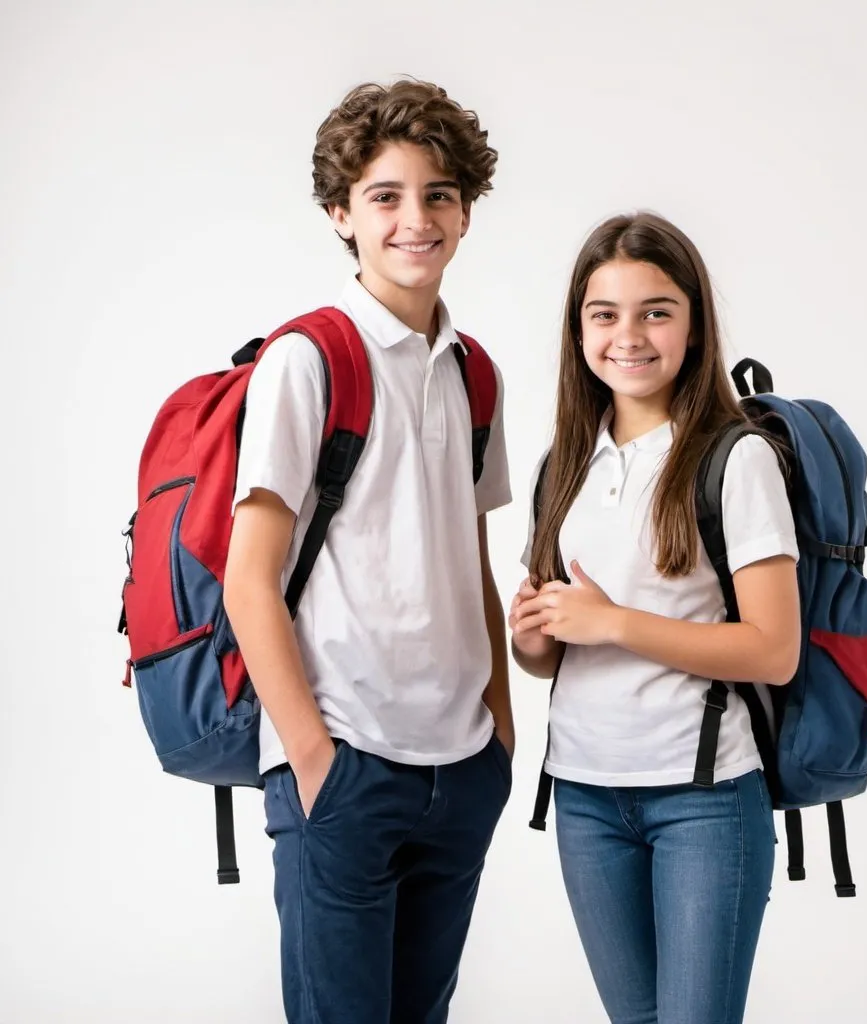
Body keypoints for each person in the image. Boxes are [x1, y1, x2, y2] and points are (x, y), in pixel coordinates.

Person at [223, 78, 514, 1024]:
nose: (413, 219)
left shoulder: (476, 374)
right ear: (341, 214)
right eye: (384, 196)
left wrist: (499, 731)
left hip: (461, 764)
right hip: (345, 760)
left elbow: (471, 559)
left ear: (466, 210)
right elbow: (248, 579)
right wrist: (313, 759)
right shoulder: (307, 359)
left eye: (437, 194)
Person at [509, 211, 800, 1023]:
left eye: (656, 311)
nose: (628, 335)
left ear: (695, 324)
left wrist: (614, 623)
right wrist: (534, 637)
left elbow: (774, 650)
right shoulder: (562, 465)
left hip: (702, 798)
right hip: (585, 795)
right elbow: (551, 653)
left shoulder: (734, 459)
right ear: (578, 330)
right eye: (604, 314)